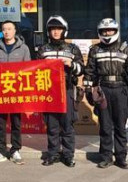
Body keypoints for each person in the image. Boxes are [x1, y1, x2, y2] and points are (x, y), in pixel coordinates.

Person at [84, 18, 128, 169]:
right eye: (104, 31)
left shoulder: (125, 48)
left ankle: (121, 158)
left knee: (120, 127)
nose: (107, 33)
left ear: (116, 31)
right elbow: (89, 72)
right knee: (105, 127)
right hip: (103, 90)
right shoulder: (95, 49)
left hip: (121, 89)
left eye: (110, 30)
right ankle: (106, 157)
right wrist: (88, 90)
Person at [37, 15, 83, 168]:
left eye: (59, 29)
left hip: (67, 89)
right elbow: (36, 71)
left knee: (67, 124)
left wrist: (72, 64)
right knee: (52, 125)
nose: (56, 32)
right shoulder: (43, 49)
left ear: (64, 31)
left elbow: (81, 69)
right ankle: (53, 154)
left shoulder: (72, 49)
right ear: (48, 32)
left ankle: (68, 155)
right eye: (52, 29)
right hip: (49, 92)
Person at [0, 20, 31, 165]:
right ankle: (1, 150)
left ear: (15, 31)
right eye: (4, 29)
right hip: (1, 91)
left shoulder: (24, 48)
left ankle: (15, 150)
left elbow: (28, 70)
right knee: (0, 123)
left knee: (16, 122)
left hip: (16, 92)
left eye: (9, 29)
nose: (6, 32)